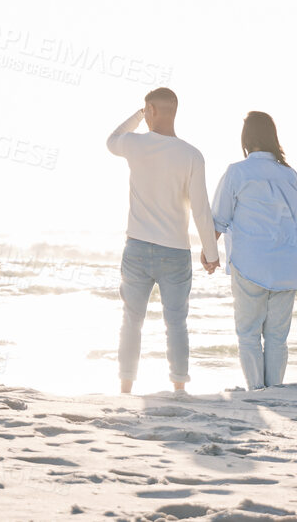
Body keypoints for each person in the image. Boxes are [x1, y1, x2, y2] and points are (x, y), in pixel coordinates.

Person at [106, 87, 220, 394]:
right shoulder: (192, 155)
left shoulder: (134, 144)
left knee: (132, 321)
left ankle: (126, 386)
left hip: (138, 247)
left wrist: (136, 115)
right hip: (175, 251)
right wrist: (211, 253)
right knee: (176, 323)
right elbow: (200, 208)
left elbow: (111, 139)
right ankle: (179, 387)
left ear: (151, 111)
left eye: (146, 112)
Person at [210, 111, 297, 389]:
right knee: (277, 337)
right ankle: (274, 391)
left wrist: (209, 254)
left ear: (246, 139)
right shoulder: (292, 176)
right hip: (288, 267)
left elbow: (219, 218)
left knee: (249, 333)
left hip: (251, 264)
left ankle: (257, 391)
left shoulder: (238, 172)